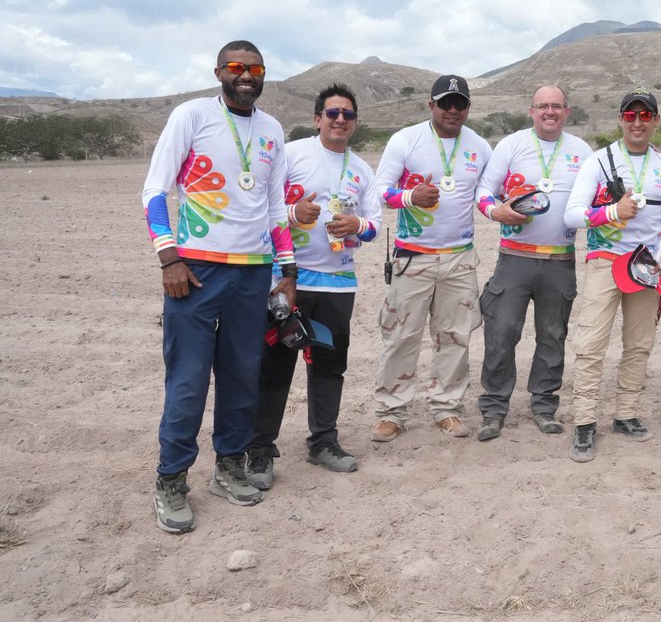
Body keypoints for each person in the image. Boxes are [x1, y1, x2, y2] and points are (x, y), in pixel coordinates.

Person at [142, 40, 296, 534]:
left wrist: (286, 272)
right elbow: (154, 190)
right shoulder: (192, 116)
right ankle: (171, 480)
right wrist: (169, 257)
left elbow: (275, 208)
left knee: (241, 376)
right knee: (187, 381)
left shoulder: (272, 129)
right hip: (196, 272)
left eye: (254, 68)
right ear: (218, 72)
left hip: (253, 272)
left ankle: (228, 467)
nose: (245, 75)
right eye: (236, 67)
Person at [245, 84, 382, 490]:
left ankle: (323, 441)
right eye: (333, 113)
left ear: (355, 122)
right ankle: (260, 449)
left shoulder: (362, 169)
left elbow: (374, 223)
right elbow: (265, 208)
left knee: (330, 366)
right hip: (288, 279)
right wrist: (293, 211)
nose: (340, 120)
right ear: (317, 118)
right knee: (275, 367)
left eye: (348, 115)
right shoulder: (292, 154)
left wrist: (358, 225)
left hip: (339, 283)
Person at [563, 88, 661, 462]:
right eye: (630, 115)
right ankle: (585, 423)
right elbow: (572, 214)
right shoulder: (597, 162)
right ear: (620, 119)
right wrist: (611, 213)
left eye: (645, 116)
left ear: (656, 121)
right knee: (591, 345)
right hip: (605, 261)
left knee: (639, 345)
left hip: (647, 267)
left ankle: (626, 414)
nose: (638, 122)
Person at [371, 75, 492, 441]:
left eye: (460, 104)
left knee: (454, 337)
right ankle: (392, 412)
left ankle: (447, 407)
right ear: (431, 105)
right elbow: (380, 191)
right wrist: (409, 197)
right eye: (445, 103)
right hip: (413, 257)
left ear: (468, 108)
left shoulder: (480, 147)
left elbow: (488, 193)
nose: (452, 110)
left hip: (459, 258)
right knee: (401, 337)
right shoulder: (406, 139)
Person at [472, 85, 593, 442]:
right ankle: (493, 409)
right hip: (514, 257)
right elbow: (483, 191)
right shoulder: (511, 145)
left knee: (553, 336)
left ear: (567, 111)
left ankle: (544, 406)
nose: (550, 112)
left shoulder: (582, 151)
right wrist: (497, 210)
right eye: (543, 106)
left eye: (556, 106)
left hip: (560, 260)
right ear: (531, 110)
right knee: (501, 332)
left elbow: (595, 200)